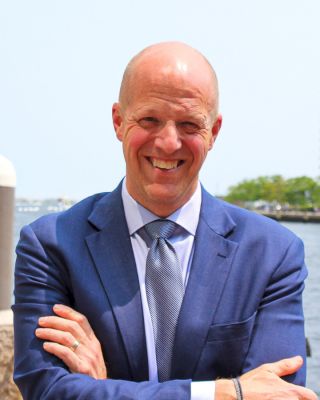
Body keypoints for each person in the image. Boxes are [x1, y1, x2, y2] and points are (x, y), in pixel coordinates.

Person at [13, 42, 318, 400]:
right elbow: (45, 390)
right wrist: (224, 393)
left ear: (214, 132)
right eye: (149, 120)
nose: (168, 142)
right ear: (118, 122)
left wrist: (101, 389)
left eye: (189, 124)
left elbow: (279, 395)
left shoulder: (272, 254)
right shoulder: (51, 245)